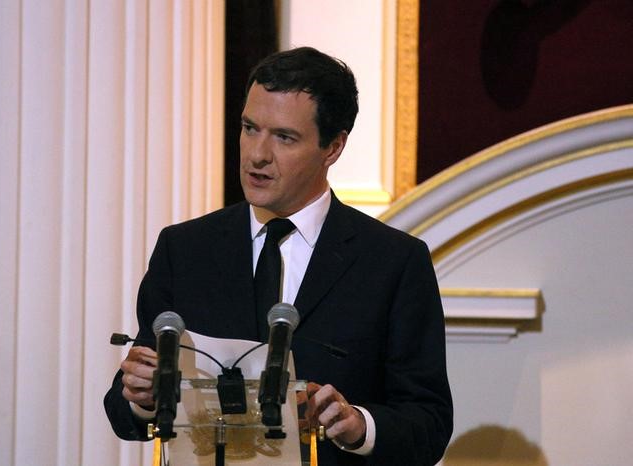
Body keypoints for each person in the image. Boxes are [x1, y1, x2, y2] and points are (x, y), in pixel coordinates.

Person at [104, 46, 453, 465]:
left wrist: (357, 424)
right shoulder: (184, 249)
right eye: (250, 128)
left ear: (333, 147)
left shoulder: (394, 262)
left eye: (284, 137)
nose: (257, 155)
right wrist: (140, 397)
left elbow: (428, 424)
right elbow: (124, 415)